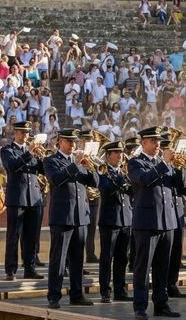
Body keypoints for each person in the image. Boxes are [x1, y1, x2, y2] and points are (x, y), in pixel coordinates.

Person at [127, 126, 180, 320]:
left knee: (162, 267)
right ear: (143, 143)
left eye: (159, 141)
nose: (158, 144)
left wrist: (179, 167)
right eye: (153, 141)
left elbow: (179, 187)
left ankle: (161, 304)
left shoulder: (162, 163)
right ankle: (140, 306)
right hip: (147, 222)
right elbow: (144, 180)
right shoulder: (135, 163)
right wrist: (165, 163)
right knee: (143, 267)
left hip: (167, 221)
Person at [43, 128, 99, 309]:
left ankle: (77, 294)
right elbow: (56, 179)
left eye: (75, 142)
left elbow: (94, 183)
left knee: (77, 259)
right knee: (58, 258)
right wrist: (75, 164)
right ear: (59, 142)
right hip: (62, 217)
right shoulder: (51, 160)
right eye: (69, 141)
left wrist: (92, 168)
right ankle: (54, 295)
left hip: (80, 216)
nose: (73, 145)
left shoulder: (80, 162)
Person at [0, 121, 44, 281]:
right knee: (14, 235)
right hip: (17, 198)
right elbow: (12, 166)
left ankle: (30, 268)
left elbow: (43, 170)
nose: (25, 135)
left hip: (34, 197)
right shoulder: (7, 150)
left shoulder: (32, 151)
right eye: (22, 132)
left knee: (31, 236)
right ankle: (10, 270)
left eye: (27, 132)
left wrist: (43, 158)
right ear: (15, 133)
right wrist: (29, 153)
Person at [97, 140, 132, 303]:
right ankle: (105, 290)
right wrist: (120, 179)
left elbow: (132, 192)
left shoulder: (124, 173)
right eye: (116, 153)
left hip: (125, 219)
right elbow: (107, 189)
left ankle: (120, 289)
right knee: (107, 257)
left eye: (121, 153)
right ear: (108, 156)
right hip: (110, 220)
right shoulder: (103, 171)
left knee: (122, 258)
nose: (120, 156)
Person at [160, 131, 186, 300]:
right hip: (166, 211)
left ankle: (172, 283)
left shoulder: (175, 164)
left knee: (176, 251)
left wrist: (180, 167)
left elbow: (182, 185)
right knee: (165, 253)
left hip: (178, 210)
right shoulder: (161, 164)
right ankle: (163, 285)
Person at [78, 129, 101, 264]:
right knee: (81, 229)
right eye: (85, 139)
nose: (88, 142)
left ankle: (90, 254)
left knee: (91, 227)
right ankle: (79, 259)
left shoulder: (94, 156)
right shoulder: (78, 155)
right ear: (81, 140)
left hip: (94, 196)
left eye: (90, 139)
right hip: (82, 195)